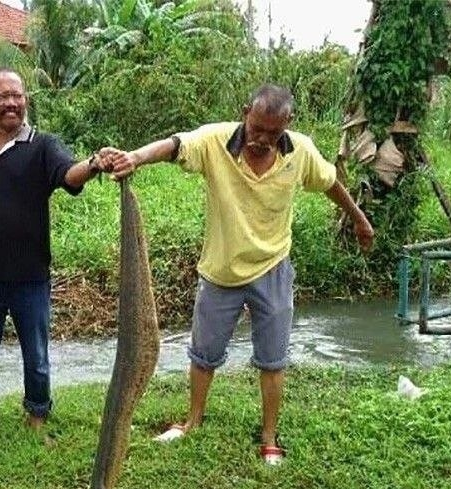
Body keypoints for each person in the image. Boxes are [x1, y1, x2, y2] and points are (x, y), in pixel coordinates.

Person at [105, 84, 374, 465]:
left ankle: (268, 437)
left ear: (288, 124)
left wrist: (360, 220)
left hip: (273, 268)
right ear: (245, 111)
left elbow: (331, 184)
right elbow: (174, 145)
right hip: (220, 271)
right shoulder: (216, 140)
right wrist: (134, 157)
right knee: (203, 354)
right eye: (257, 128)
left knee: (273, 359)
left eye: (273, 132)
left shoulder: (300, 151)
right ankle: (193, 420)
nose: (262, 139)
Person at [0, 68, 111, 449]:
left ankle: (37, 416)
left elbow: (70, 174)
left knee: (36, 357)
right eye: (2, 97)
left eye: (17, 96)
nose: (12, 103)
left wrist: (95, 163)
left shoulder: (43, 146)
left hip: (30, 279)